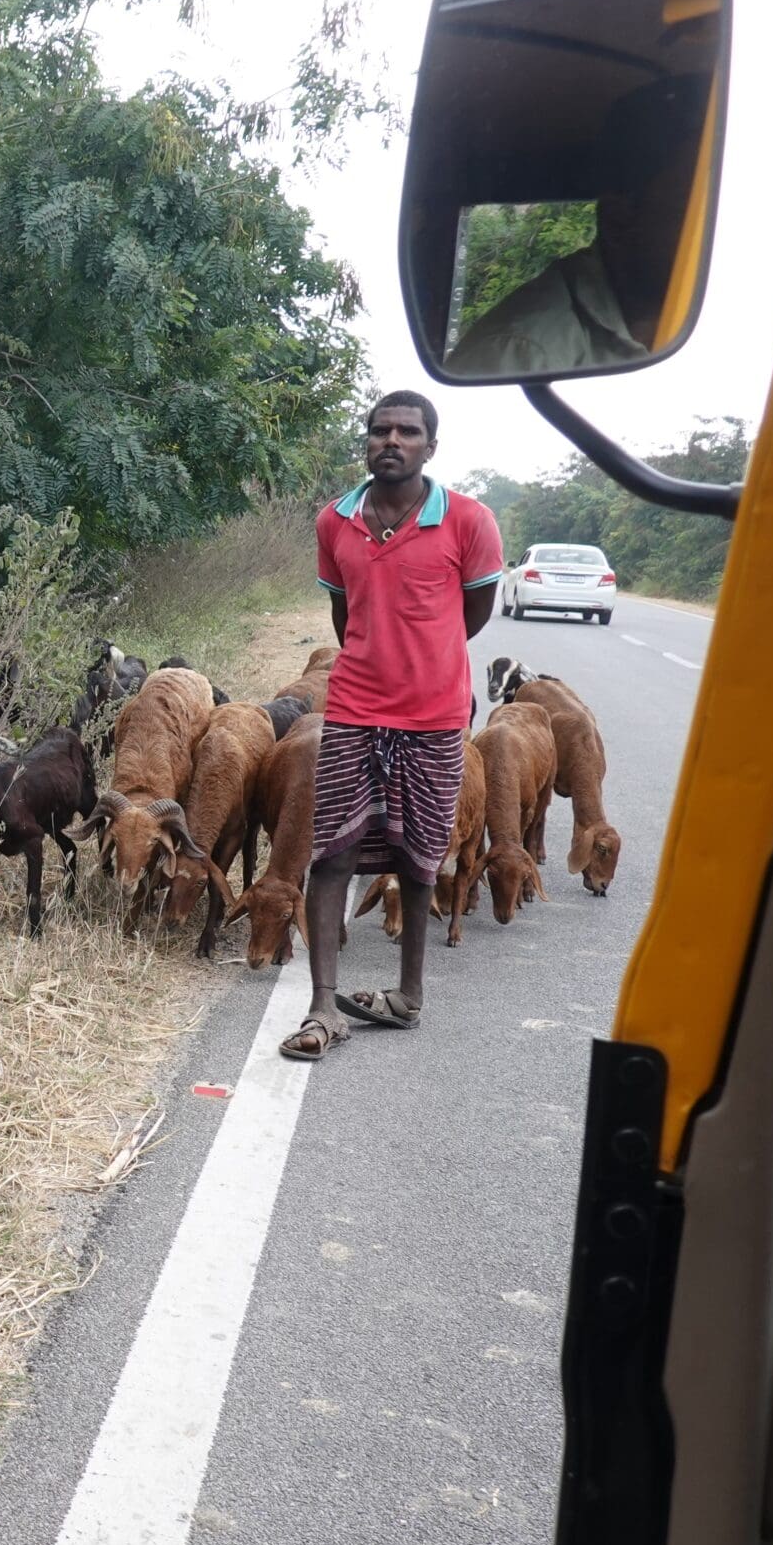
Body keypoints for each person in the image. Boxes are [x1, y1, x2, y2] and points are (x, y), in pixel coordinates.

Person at [281, 391, 503, 1060]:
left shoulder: (469, 521)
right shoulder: (335, 521)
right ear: (367, 441)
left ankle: (408, 996)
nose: (392, 441)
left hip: (435, 716)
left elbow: (473, 612)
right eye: (381, 430)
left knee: (421, 854)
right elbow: (344, 614)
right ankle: (323, 1007)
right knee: (332, 853)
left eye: (408, 432)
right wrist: (379, 657)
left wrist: (426, 659)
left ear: (431, 446)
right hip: (353, 708)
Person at [444, 77, 709, 377]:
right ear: (618, 219)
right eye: (697, 211)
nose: (717, 236)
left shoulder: (698, 328)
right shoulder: (522, 355)